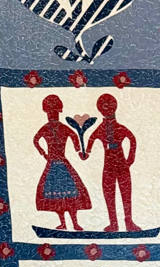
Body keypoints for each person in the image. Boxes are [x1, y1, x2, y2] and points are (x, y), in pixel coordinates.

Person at [84, 94, 141, 234]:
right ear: (100, 109)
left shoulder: (119, 127)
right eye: (103, 107)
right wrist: (87, 152)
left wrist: (131, 158)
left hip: (121, 162)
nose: (106, 109)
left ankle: (128, 221)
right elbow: (91, 139)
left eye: (109, 106)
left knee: (125, 192)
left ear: (115, 107)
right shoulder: (101, 128)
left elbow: (132, 139)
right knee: (109, 193)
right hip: (108, 163)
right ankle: (113, 223)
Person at [33, 95, 91, 232]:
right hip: (53, 164)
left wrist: (78, 151)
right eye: (50, 112)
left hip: (61, 163)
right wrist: (43, 153)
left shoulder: (61, 128)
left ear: (58, 112)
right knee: (56, 197)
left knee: (71, 195)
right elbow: (36, 140)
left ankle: (75, 224)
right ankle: (63, 224)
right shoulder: (47, 128)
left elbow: (74, 137)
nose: (51, 114)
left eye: (53, 112)